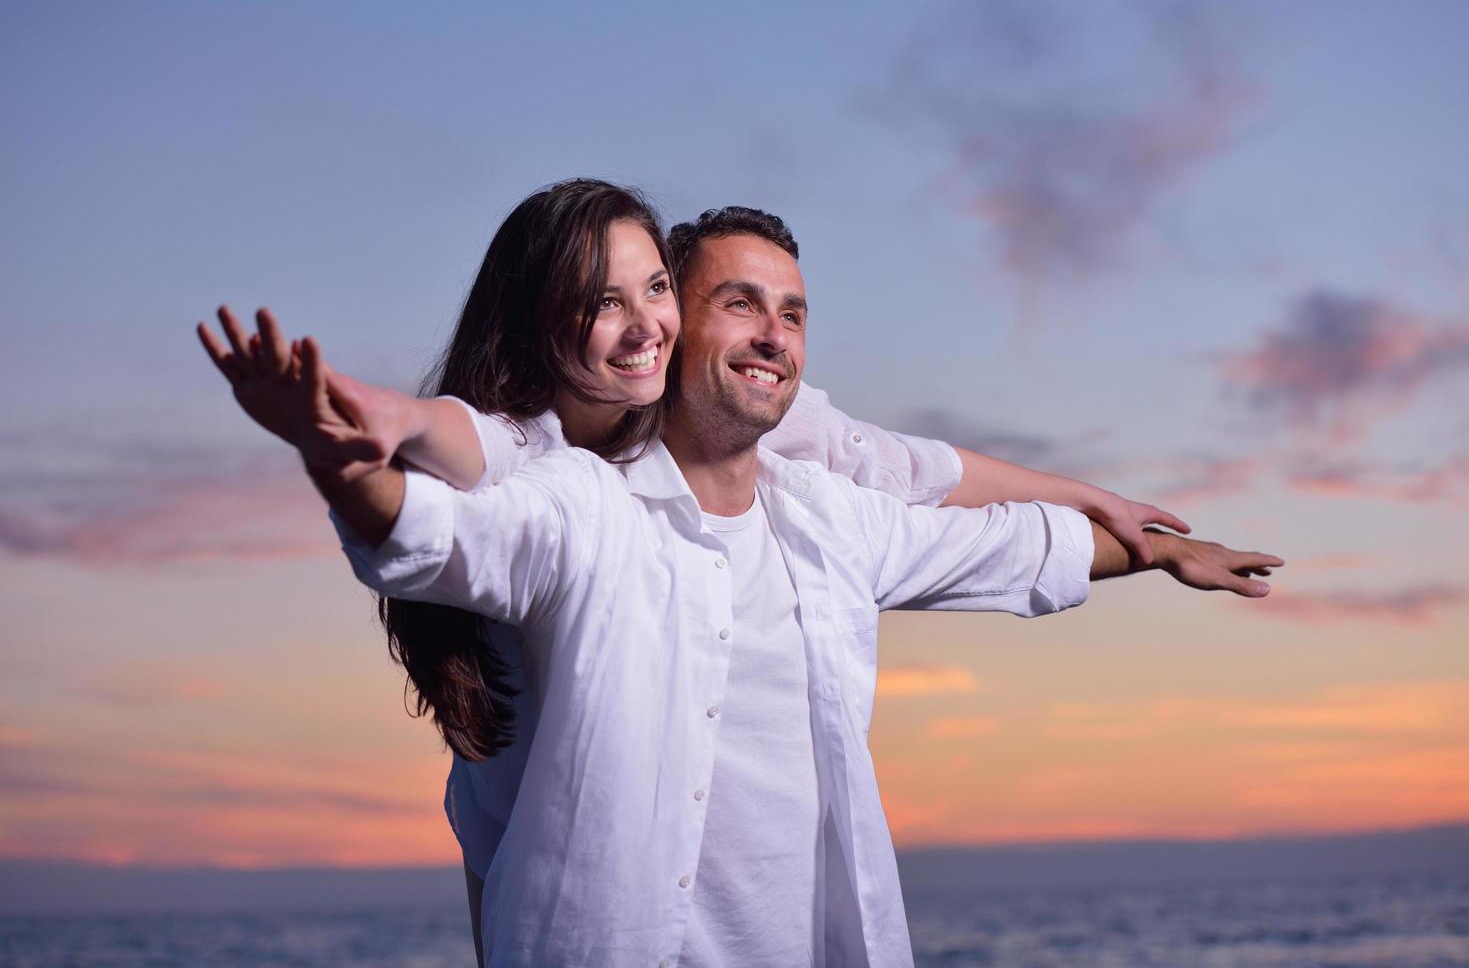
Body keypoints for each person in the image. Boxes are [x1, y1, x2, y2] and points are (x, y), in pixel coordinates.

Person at [199, 181, 1280, 965]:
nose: (771, 334)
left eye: (792, 311)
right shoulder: (574, 492)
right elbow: (442, 527)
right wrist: (348, 460)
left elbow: (997, 532)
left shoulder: (829, 512)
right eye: (739, 304)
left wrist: (1145, 540)